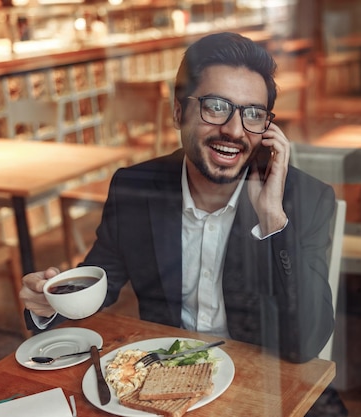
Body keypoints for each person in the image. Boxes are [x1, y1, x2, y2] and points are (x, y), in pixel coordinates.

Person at [20, 32, 336, 364]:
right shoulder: (136, 188)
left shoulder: (305, 200)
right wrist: (49, 304)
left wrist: (273, 220)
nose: (234, 130)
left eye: (253, 114)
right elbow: (101, 283)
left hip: (259, 387)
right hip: (164, 374)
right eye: (216, 107)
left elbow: (306, 344)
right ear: (177, 113)